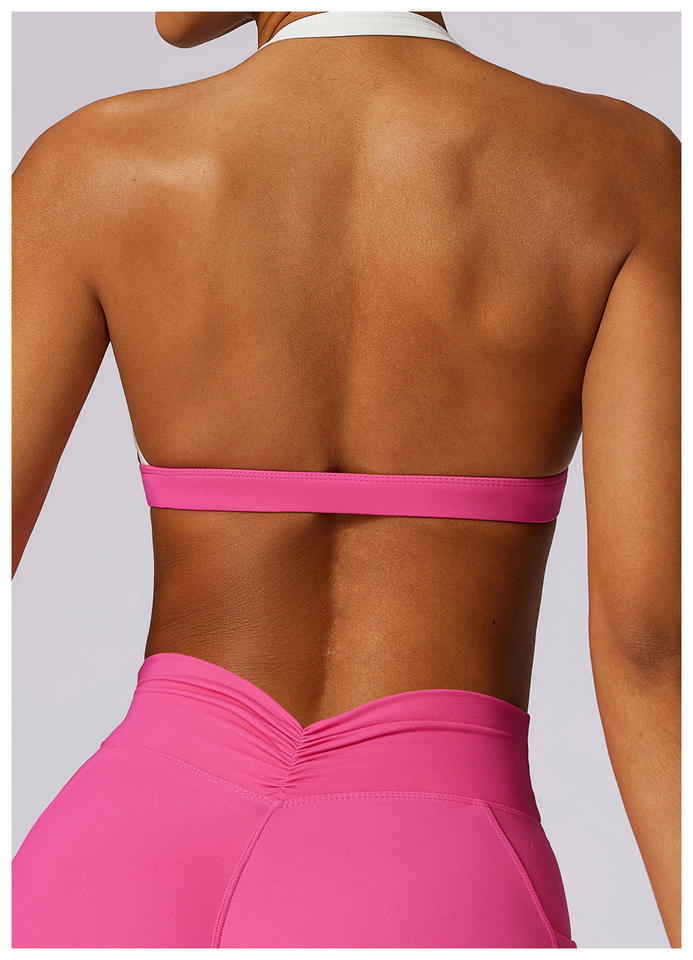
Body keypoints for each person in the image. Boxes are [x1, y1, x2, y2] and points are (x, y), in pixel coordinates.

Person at [11, 10, 680, 948]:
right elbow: (647, 647)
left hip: (116, 862)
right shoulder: (618, 167)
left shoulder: (92, 163)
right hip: (433, 876)